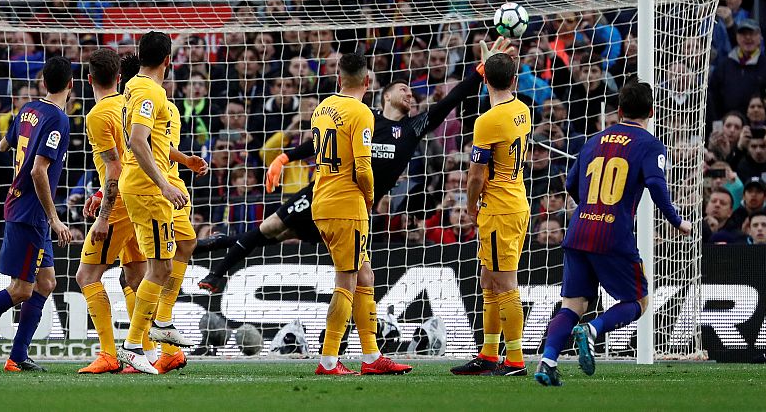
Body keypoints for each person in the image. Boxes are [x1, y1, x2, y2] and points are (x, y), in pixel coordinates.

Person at [195, 38, 515, 294]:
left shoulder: (415, 127)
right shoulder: (364, 118)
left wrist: (481, 72)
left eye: (411, 92)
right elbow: (320, 141)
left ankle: (202, 250)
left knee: (354, 276)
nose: (409, 95)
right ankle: (216, 272)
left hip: (358, 209)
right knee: (270, 231)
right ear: (385, 96)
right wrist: (285, 157)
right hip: (326, 193)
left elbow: (452, 99)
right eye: (402, 89)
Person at [535, 81, 692, 386]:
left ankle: (547, 361)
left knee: (573, 305)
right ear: (650, 111)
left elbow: (569, 185)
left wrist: (590, 208)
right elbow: (657, 186)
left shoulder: (593, 140)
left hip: (578, 229)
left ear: (618, 111)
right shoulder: (649, 144)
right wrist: (676, 221)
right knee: (639, 302)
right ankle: (593, 331)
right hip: (613, 234)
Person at [309, 53, 411, 375]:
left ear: (339, 78)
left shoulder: (321, 109)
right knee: (347, 281)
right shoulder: (362, 113)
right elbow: (364, 169)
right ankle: (328, 360)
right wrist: (369, 198)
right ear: (368, 82)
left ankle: (371, 357)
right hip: (347, 206)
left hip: (322, 199)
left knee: (365, 276)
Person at [0, 56, 73, 372]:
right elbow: (38, 171)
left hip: (26, 211)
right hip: (31, 214)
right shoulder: (58, 119)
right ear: (71, 85)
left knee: (46, 283)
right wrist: (55, 218)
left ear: (43, 82)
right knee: (21, 289)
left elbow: (4, 146)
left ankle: (18, 356)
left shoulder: (28, 109)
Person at [450, 41, 530, 377]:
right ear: (514, 80)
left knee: (505, 283)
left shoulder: (486, 122)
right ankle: (488, 354)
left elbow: (475, 175)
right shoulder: (522, 109)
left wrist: (469, 205)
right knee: (488, 279)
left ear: (485, 81)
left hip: (497, 209)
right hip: (517, 202)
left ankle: (515, 360)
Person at [116, 31, 190, 374]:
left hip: (140, 185)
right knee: (160, 267)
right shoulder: (149, 90)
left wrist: (183, 160)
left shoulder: (133, 86)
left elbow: (152, 141)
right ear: (168, 61)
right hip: (147, 187)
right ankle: (136, 342)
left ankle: (153, 329)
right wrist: (164, 185)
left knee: (161, 263)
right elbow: (137, 141)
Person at [75, 49, 148, 375]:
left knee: (86, 276)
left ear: (88, 79)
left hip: (117, 207)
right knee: (135, 277)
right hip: (136, 198)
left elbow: (114, 166)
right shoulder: (129, 103)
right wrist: (103, 189)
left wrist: (103, 216)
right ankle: (151, 351)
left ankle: (108, 353)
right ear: (119, 77)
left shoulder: (97, 115)